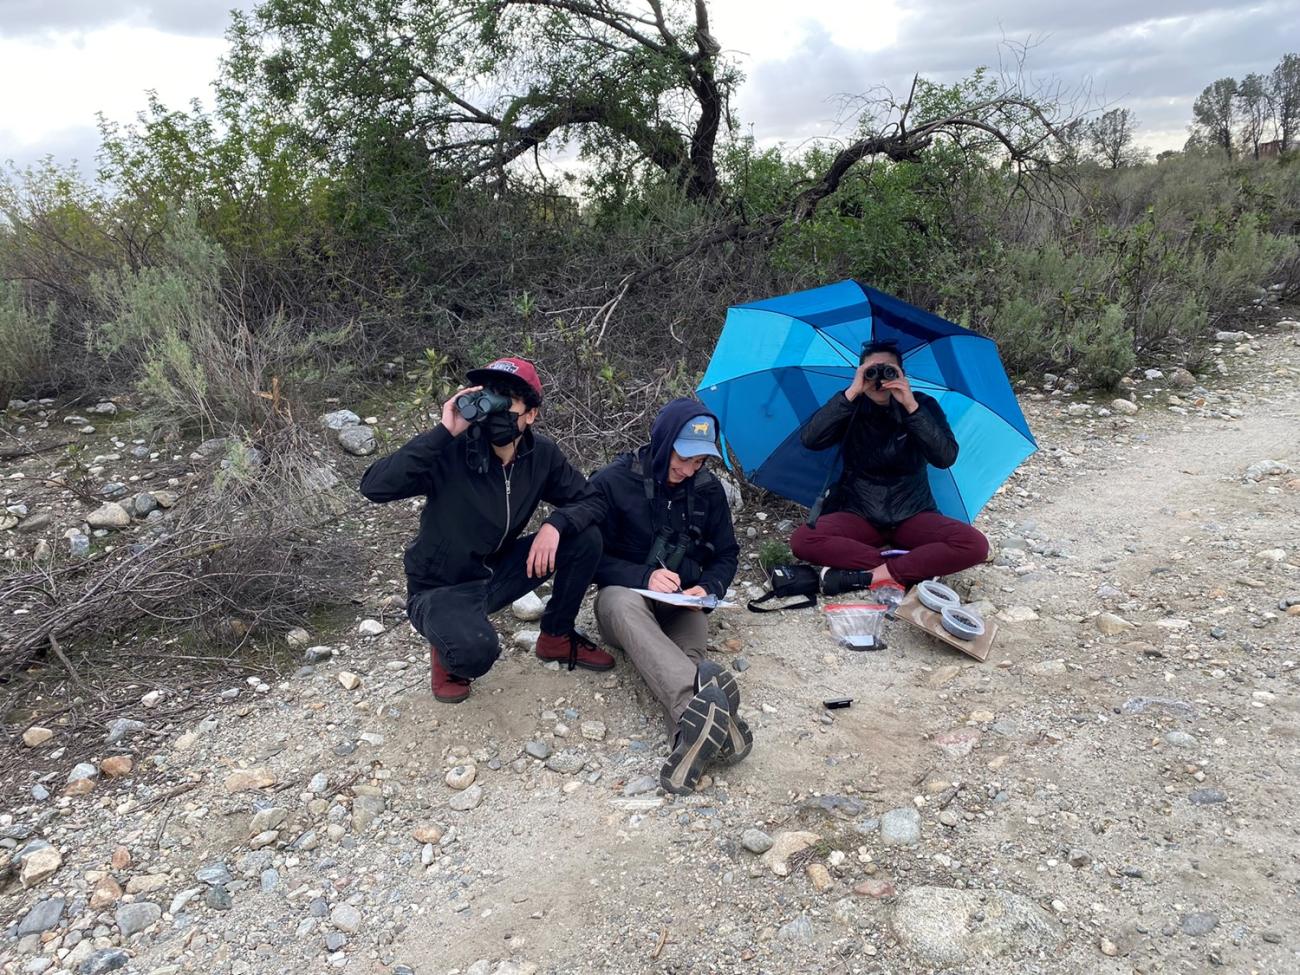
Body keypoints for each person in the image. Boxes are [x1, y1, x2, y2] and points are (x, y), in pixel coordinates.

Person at [359, 356, 613, 703]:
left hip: (496, 572)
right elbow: (374, 486)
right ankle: (447, 643)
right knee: (474, 653)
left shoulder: (541, 456)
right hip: (441, 587)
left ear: (531, 414)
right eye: (491, 394)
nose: (497, 409)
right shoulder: (451, 452)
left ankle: (556, 637)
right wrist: (443, 433)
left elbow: (593, 500)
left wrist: (555, 524)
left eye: (508, 398)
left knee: (583, 537)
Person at [587, 398, 750, 794]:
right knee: (624, 605)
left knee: (685, 654)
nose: (689, 468)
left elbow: (727, 555)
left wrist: (709, 587)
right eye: (684, 456)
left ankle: (688, 734)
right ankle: (699, 710)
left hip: (680, 605)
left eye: (699, 461)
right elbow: (587, 559)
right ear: (662, 442)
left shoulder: (708, 490)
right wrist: (643, 575)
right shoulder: (611, 482)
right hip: (622, 602)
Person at [790, 340, 989, 596]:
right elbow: (811, 439)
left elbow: (945, 457)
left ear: (902, 375)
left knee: (974, 545)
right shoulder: (851, 405)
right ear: (860, 373)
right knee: (803, 539)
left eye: (889, 371)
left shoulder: (922, 405)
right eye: (871, 371)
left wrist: (910, 406)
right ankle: (909, 567)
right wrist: (852, 392)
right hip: (859, 511)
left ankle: (868, 575)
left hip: (913, 512)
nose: (880, 379)